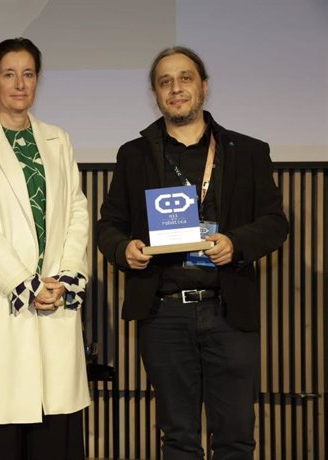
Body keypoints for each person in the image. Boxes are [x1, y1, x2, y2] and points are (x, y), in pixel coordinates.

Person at [96, 46, 288, 459]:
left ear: (204, 86)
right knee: (178, 439)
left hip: (228, 311)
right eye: (165, 82)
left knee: (236, 437)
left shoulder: (248, 152)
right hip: (164, 314)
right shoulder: (135, 154)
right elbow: (107, 225)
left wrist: (237, 244)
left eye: (185, 78)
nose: (176, 88)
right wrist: (122, 249)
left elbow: (275, 223)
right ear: (155, 93)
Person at [0, 38, 90, 460]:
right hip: (2, 299)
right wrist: (23, 283)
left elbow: (76, 211)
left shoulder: (58, 139)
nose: (19, 83)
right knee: (0, 417)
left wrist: (64, 278)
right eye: (9, 74)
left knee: (54, 422)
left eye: (28, 74)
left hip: (54, 299)